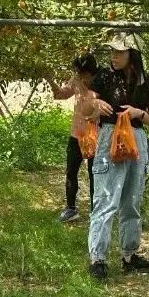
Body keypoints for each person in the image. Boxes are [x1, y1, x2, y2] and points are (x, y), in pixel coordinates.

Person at [84, 32, 149, 281]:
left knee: (132, 201)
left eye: (119, 52)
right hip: (110, 136)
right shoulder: (104, 77)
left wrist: (139, 112)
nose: (113, 56)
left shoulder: (147, 83)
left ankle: (130, 254)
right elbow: (86, 107)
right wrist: (95, 106)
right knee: (106, 200)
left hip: (136, 140)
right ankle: (98, 258)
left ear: (133, 55)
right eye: (112, 52)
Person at [46, 53, 99, 222]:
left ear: (92, 72)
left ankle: (95, 210)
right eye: (78, 73)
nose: (81, 77)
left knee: (95, 173)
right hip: (77, 134)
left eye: (84, 74)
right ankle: (70, 209)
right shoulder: (76, 80)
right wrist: (50, 80)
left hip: (96, 135)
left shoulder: (101, 82)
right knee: (71, 171)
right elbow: (61, 94)